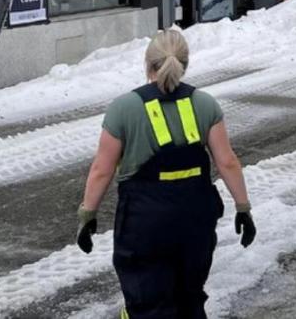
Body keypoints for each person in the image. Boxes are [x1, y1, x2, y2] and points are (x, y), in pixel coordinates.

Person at [76, 30, 256, 318]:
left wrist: (88, 215)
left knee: (147, 303)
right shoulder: (206, 104)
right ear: (184, 64)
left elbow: (101, 170)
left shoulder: (124, 108)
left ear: (148, 64)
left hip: (144, 223)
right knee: (189, 299)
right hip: (195, 220)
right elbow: (227, 162)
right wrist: (243, 208)